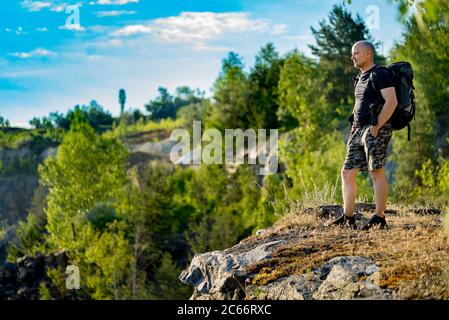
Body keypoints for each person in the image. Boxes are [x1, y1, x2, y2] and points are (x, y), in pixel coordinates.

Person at [332, 40, 398, 230]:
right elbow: (358, 103)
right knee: (347, 173)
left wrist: (376, 127)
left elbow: (391, 102)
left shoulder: (380, 74)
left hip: (375, 128)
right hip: (358, 130)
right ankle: (348, 217)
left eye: (356, 53)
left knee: (376, 172)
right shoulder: (361, 77)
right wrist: (353, 125)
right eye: (353, 53)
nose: (352, 56)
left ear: (368, 54)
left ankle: (379, 217)